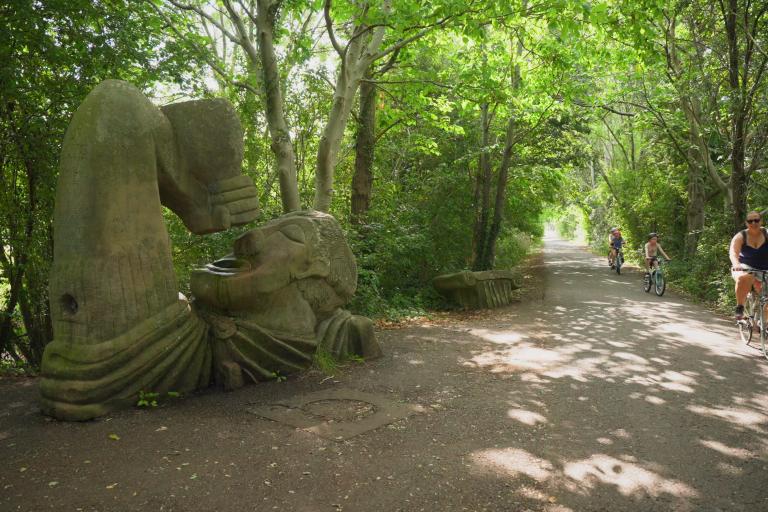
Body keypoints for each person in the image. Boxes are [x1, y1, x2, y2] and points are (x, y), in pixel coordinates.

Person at [729, 211, 768, 320]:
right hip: (745, 266)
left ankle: (764, 325)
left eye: (756, 220)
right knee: (744, 277)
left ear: (761, 221)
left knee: (766, 297)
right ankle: (740, 306)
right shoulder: (741, 236)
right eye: (750, 221)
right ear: (746, 223)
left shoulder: (766, 234)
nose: (753, 223)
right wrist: (736, 264)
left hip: (765, 268)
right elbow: (733, 252)